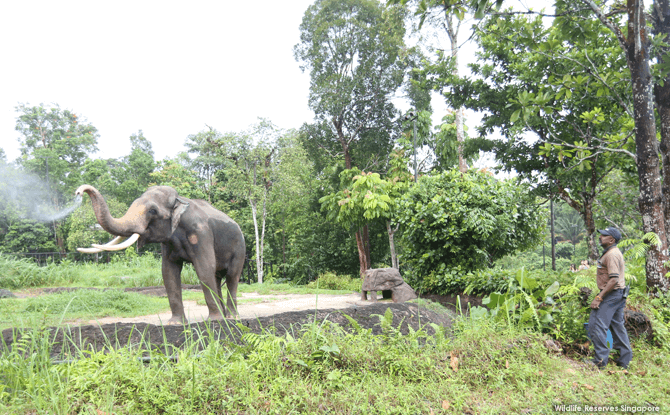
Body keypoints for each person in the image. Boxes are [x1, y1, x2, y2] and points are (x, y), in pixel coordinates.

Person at [587, 227, 632, 369]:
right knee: (618, 326)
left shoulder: (612, 254)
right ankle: (624, 361)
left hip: (612, 295)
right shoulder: (613, 252)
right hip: (619, 294)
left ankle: (599, 362)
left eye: (604, 235)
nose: (600, 237)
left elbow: (613, 280)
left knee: (597, 325)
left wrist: (599, 297)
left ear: (611, 240)